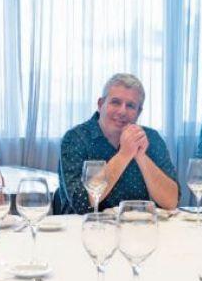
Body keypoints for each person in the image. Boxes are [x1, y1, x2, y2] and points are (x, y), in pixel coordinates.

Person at [54, 73, 179, 214]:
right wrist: (124, 155)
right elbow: (81, 202)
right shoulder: (75, 138)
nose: (122, 111)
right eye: (116, 102)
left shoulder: (151, 138)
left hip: (135, 230)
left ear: (139, 112)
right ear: (101, 105)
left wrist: (141, 156)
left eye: (131, 106)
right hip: (83, 229)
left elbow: (172, 202)